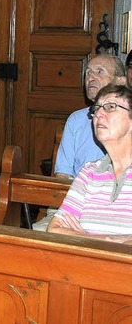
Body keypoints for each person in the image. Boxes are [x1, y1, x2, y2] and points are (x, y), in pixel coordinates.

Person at [48, 84, 132, 241]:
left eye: (110, 107)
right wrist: (106, 240)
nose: (99, 113)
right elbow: (54, 228)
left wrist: (84, 236)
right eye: (97, 109)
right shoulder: (90, 171)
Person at [55, 55, 125, 179]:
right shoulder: (76, 120)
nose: (91, 77)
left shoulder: (127, 119)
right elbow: (63, 174)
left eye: (99, 71)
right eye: (88, 73)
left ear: (120, 82)